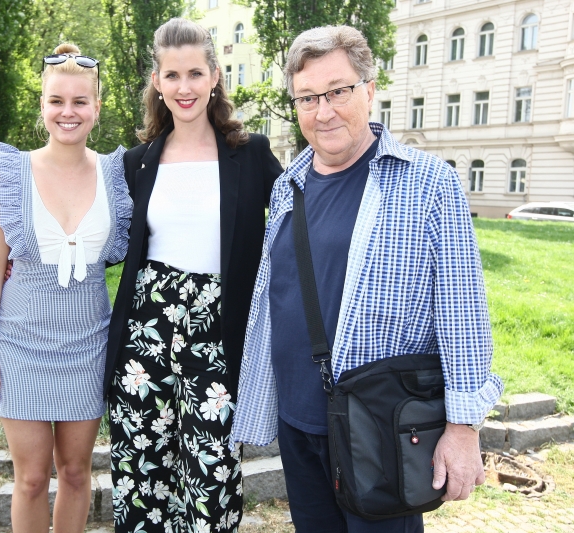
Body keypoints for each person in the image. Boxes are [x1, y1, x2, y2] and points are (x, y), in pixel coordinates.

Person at [232, 25, 503, 533]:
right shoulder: (288, 186)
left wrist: (464, 428)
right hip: (298, 423)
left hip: (383, 426)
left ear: (370, 89)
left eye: (338, 91)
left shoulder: (429, 183)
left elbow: (463, 314)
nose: (323, 111)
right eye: (307, 97)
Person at [103, 18, 284, 533]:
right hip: (146, 330)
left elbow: (297, 223)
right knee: (141, 473)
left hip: (218, 331)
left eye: (195, 73)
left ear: (214, 77)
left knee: (211, 475)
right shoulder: (137, 162)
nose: (184, 87)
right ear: (157, 81)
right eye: (172, 75)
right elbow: (102, 236)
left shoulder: (251, 154)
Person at [0, 43, 132, 533]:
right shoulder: (10, 175)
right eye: (57, 101)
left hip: (88, 347)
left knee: (77, 473)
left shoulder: (116, 174)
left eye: (80, 101)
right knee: (31, 479)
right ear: (42, 105)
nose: (68, 112)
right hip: (20, 347)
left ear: (96, 108)